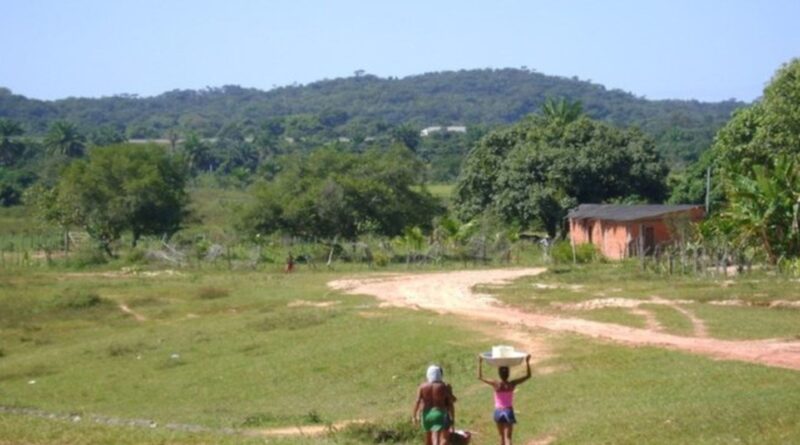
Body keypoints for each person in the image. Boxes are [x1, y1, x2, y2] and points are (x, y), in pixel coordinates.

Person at [478, 354, 531, 445]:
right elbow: (528, 376)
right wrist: (527, 362)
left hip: (498, 412)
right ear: (508, 374)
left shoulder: (496, 384)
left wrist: (480, 362)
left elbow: (480, 377)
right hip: (508, 411)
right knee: (508, 438)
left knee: (501, 437)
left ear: (499, 374)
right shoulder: (512, 384)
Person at [413, 365, 457, 445]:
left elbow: (417, 401)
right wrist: (452, 418)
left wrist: (414, 416)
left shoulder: (422, 386)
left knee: (428, 439)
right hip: (439, 414)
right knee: (437, 439)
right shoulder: (443, 386)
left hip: (426, 415)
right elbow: (451, 403)